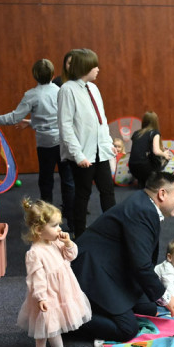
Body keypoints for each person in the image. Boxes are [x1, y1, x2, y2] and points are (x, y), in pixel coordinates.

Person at [72, 171, 174, 343]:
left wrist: (159, 295)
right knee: (126, 329)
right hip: (92, 270)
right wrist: (166, 297)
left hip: (110, 264)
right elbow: (141, 265)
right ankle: (65, 319)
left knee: (148, 307)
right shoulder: (142, 210)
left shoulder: (144, 203)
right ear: (162, 194)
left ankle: (100, 306)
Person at [0, 59, 74, 228]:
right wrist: (31, 122)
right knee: (67, 179)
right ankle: (72, 219)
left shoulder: (31, 95)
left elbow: (13, 118)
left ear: (34, 76)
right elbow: (59, 118)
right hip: (63, 141)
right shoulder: (61, 91)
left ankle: (46, 219)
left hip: (45, 144)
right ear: (53, 75)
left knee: (46, 180)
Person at [16, 199, 91, 347]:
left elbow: (71, 256)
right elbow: (36, 278)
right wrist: (41, 297)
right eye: (54, 225)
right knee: (51, 322)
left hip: (62, 289)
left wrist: (68, 243)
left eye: (59, 224)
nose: (59, 229)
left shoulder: (55, 242)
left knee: (43, 322)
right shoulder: (35, 253)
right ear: (38, 229)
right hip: (48, 293)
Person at [58, 48, 116, 238]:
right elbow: (65, 126)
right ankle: (80, 234)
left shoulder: (93, 88)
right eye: (94, 65)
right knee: (83, 194)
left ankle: (111, 231)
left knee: (107, 192)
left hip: (100, 151)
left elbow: (102, 120)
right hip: (83, 154)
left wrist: (107, 144)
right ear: (85, 67)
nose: (98, 69)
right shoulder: (67, 89)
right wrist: (78, 155)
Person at [128, 111, 174, 188]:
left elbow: (139, 150)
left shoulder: (136, 133)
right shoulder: (154, 132)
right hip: (146, 169)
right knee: (165, 156)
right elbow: (156, 151)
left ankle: (142, 180)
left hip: (133, 169)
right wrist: (165, 154)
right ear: (156, 121)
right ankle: (153, 179)